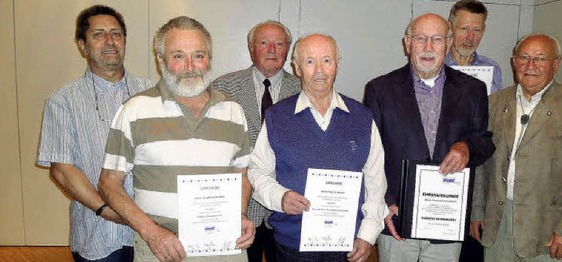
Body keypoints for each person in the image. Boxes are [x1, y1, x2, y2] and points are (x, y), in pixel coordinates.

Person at [97, 16, 254, 262]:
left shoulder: (233, 110)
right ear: (161, 60)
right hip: (161, 248)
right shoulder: (134, 110)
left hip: (224, 245)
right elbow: (109, 184)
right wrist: (152, 233)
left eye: (199, 55)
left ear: (209, 60)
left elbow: (241, 175)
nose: (190, 66)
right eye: (178, 56)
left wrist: (241, 214)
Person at [363, 13, 495, 261]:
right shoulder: (380, 90)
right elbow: (368, 154)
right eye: (420, 38)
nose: (427, 47)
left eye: (436, 39)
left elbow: (484, 141)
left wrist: (466, 147)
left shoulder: (473, 90)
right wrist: (383, 203)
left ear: (448, 43)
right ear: (407, 43)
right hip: (396, 220)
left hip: (446, 223)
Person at [248, 33, 388, 262]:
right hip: (292, 248)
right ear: (297, 67)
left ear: (337, 64)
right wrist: (279, 197)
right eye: (310, 61)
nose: (320, 70)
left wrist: (368, 235)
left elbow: (375, 183)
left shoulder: (362, 118)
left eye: (327, 60)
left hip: (348, 247)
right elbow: (257, 172)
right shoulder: (277, 117)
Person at [470, 33, 562, 261]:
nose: (530, 66)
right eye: (524, 57)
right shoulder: (493, 103)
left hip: (549, 231)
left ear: (556, 64)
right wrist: (477, 210)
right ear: (514, 62)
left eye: (540, 58)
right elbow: (482, 166)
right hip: (498, 226)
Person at [36, 5, 153, 261]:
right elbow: (62, 169)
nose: (110, 41)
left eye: (116, 33)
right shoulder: (63, 100)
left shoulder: (151, 93)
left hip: (152, 231)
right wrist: (106, 210)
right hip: (98, 232)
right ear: (82, 45)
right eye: (99, 34)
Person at [212, 20, 301, 262]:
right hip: (239, 209)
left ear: (288, 49)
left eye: (279, 43)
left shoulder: (302, 90)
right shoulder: (223, 87)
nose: (272, 49)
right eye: (264, 43)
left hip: (285, 207)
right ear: (251, 48)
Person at [445, 0, 503, 94]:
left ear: (483, 31)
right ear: (450, 28)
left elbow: (495, 107)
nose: (470, 38)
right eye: (464, 29)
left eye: (476, 30)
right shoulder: (436, 66)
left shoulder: (492, 69)